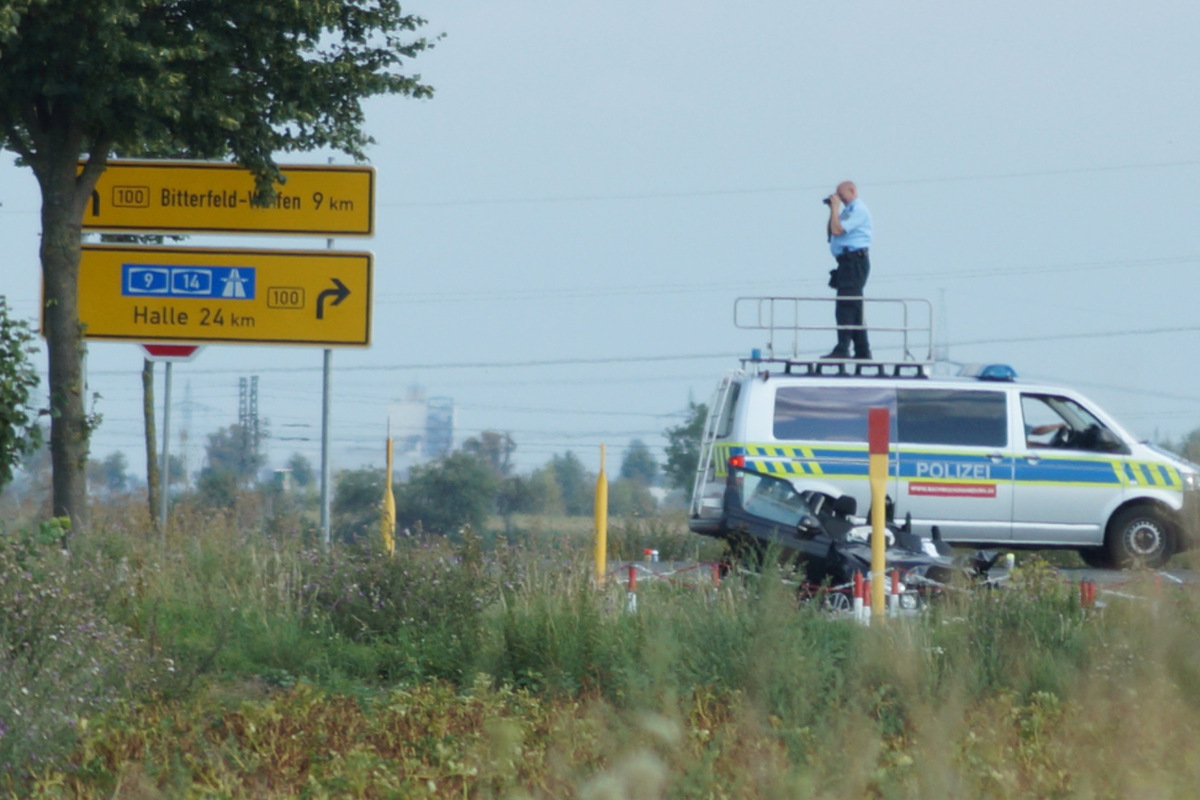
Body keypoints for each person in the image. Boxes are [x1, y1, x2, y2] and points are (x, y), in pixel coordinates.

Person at [822, 181, 873, 360]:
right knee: (855, 308)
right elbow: (832, 231)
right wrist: (833, 210)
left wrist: (835, 207)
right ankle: (863, 350)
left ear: (852, 191)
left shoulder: (859, 210)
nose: (840, 199)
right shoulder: (847, 211)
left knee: (846, 306)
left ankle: (843, 347)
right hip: (846, 262)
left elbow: (837, 230)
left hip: (854, 262)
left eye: (842, 196)